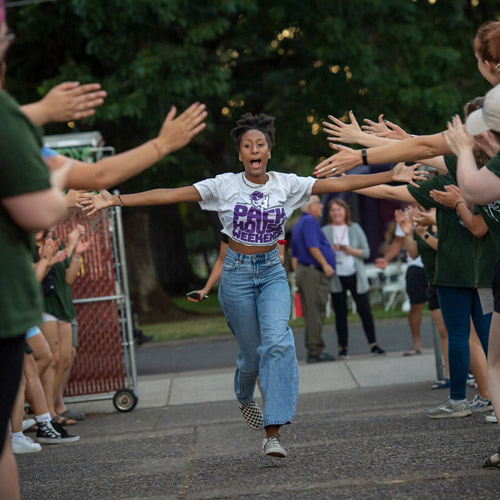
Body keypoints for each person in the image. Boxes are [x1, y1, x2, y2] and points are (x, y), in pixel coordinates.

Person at [81, 112, 424, 458]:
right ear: (241, 154)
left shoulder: (286, 184)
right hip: (236, 275)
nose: (254, 149)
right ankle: (244, 395)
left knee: (276, 343)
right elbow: (170, 194)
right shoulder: (224, 185)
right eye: (248, 145)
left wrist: (391, 174)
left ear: (269, 151)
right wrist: (116, 200)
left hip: (272, 273)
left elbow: (340, 185)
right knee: (252, 356)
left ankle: (272, 432)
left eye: (260, 144)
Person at [321, 198, 385, 357]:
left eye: (339, 209)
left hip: (355, 274)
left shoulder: (354, 228)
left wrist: (350, 250)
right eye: (333, 210)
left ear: (345, 211)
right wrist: (331, 251)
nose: (336, 213)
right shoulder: (325, 231)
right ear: (329, 213)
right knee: (341, 314)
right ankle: (343, 348)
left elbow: (366, 252)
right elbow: (321, 252)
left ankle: (374, 344)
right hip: (337, 277)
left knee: (365, 311)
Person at [291, 195, 336, 363]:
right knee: (316, 312)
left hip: (304, 272)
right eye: (318, 203)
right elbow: (312, 246)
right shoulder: (310, 222)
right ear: (310, 207)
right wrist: (325, 264)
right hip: (312, 273)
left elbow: (294, 254)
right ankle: (315, 351)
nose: (322, 206)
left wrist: (297, 274)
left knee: (311, 312)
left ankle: (314, 349)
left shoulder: (299, 223)